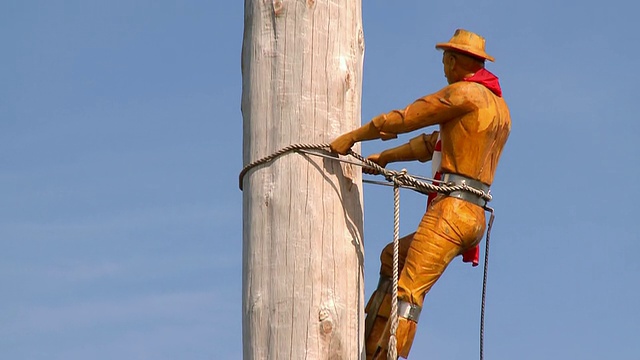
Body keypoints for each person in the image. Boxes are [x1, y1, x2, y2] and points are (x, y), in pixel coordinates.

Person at [330, 29, 511, 359]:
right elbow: (434, 145)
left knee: (409, 291)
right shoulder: (498, 108)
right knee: (391, 258)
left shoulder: (464, 95)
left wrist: (353, 137)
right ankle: (370, 348)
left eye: (445, 60)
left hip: (453, 211)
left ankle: (387, 355)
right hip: (471, 215)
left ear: (454, 61)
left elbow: (405, 118)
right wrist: (385, 158)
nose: (443, 67)